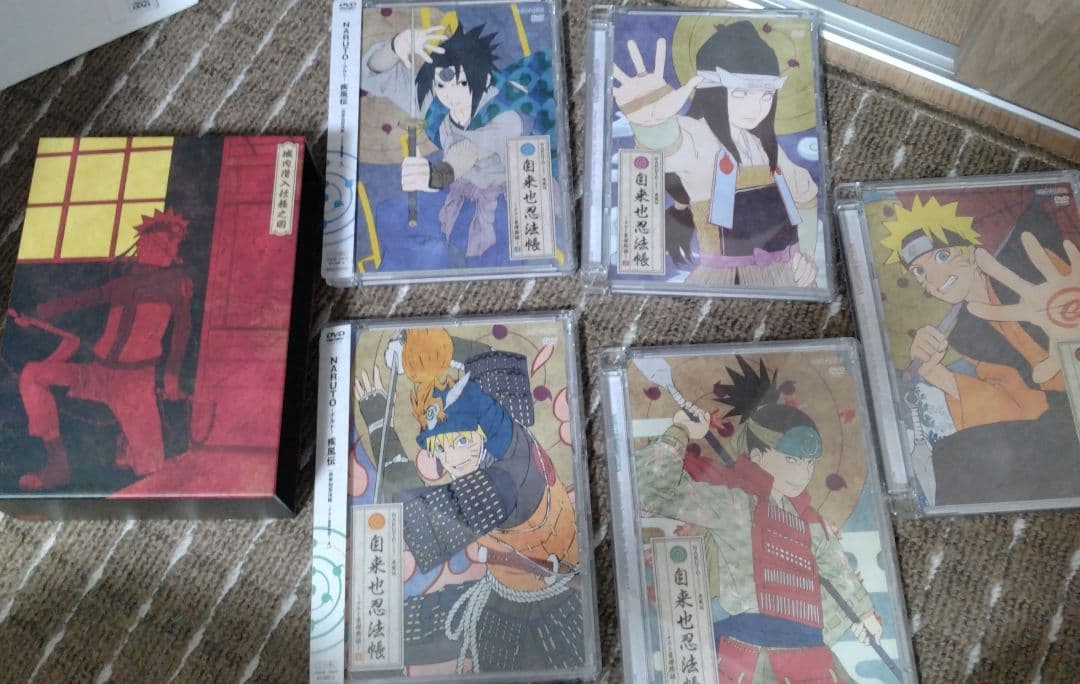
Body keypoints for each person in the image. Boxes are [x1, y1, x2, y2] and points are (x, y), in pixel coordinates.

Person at [634, 356, 881, 682]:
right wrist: (681, 430)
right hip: (747, 655)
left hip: (811, 657)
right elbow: (649, 490)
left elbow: (837, 570)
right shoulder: (733, 505)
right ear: (758, 456)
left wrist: (864, 613)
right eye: (791, 460)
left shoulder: (810, 522)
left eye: (809, 463)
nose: (803, 473)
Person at [357, 328, 583, 674]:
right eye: (439, 447)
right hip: (496, 588)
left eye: (461, 441)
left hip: (542, 609)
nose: (452, 459)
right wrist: (421, 351)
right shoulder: (511, 433)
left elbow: (421, 523)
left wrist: (377, 422)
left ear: (481, 434)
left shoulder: (503, 483)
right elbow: (487, 362)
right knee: (378, 630)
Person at [881, 194, 1080, 503]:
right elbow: (1012, 401)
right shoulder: (965, 334)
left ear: (971, 251)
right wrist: (935, 372)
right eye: (918, 271)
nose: (932, 278)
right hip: (1062, 420)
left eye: (942, 256)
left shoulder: (1027, 263)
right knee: (955, 457)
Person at [613, 21, 818, 287]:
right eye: (741, 92)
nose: (756, 106)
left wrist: (806, 256)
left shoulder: (764, 146)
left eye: (766, 94)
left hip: (788, 275)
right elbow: (667, 144)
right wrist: (651, 120)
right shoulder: (696, 136)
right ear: (712, 90)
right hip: (726, 280)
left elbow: (806, 195)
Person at [9, 208, 192, 491]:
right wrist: (34, 313)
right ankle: (58, 464)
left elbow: (182, 331)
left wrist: (171, 378)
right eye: (162, 242)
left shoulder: (176, 284)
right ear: (144, 243)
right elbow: (81, 300)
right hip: (96, 372)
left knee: (153, 470)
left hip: (135, 385)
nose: (170, 248)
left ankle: (129, 445)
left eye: (173, 243)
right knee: (33, 374)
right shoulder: (122, 284)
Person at [362, 22, 547, 261]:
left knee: (481, 257)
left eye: (461, 83)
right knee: (390, 215)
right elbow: (373, 76)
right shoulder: (438, 104)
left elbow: (468, 152)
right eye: (442, 85)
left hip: (506, 204)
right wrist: (394, 48)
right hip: (459, 190)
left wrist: (435, 176)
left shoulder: (505, 113)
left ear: (484, 79)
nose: (451, 94)